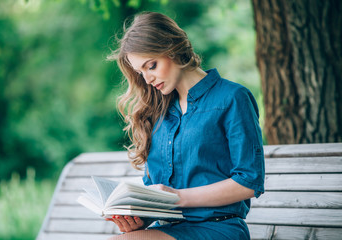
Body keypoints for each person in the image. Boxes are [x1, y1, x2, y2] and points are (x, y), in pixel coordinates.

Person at [107, 11, 265, 240]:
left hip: (219, 228)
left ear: (172, 48)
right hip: (168, 229)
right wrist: (138, 219)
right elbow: (155, 190)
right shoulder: (155, 112)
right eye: (140, 73)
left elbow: (249, 182)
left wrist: (177, 196)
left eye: (151, 65)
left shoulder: (232, 98)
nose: (147, 79)